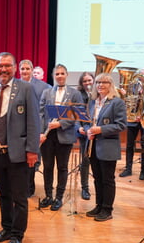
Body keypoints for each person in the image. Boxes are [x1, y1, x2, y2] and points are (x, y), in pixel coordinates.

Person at [0, 52, 40, 243]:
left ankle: (17, 235)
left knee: (19, 198)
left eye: (8, 65)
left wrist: (32, 150)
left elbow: (34, 121)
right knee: (4, 195)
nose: (4, 69)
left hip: (18, 153)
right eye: (0, 66)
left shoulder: (26, 88)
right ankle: (6, 228)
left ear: (15, 68)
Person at [81, 73, 127, 222]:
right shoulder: (93, 102)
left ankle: (107, 209)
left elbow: (121, 125)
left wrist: (100, 130)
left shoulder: (116, 102)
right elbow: (88, 121)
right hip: (93, 145)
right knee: (97, 178)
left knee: (107, 179)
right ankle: (99, 205)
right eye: (98, 82)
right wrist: (88, 130)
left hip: (108, 146)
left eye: (105, 82)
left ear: (110, 85)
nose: (100, 85)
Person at [38, 64, 83, 210]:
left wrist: (61, 124)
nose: (60, 76)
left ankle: (58, 197)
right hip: (48, 136)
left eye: (62, 73)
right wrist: (41, 131)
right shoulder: (46, 92)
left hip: (64, 135)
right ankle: (48, 196)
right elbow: (40, 114)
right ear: (53, 76)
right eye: (57, 74)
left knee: (62, 168)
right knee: (48, 167)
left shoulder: (75, 93)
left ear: (67, 75)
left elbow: (77, 114)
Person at [19, 59, 50, 197]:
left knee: (31, 158)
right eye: (23, 69)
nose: (25, 71)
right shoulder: (15, 85)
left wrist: (42, 130)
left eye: (27, 68)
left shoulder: (44, 87)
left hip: (34, 128)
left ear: (32, 70)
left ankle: (29, 188)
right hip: (18, 128)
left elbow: (44, 111)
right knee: (19, 159)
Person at [119, 67, 144, 180]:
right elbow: (128, 104)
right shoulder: (132, 88)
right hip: (132, 121)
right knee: (129, 145)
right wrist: (124, 95)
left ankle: (143, 170)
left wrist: (142, 115)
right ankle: (128, 168)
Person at [75, 72, 94, 200]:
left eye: (89, 80)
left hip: (97, 131)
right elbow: (76, 114)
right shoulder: (79, 95)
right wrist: (79, 127)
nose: (87, 83)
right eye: (85, 81)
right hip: (84, 132)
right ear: (82, 84)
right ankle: (85, 188)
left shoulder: (100, 95)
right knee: (85, 161)